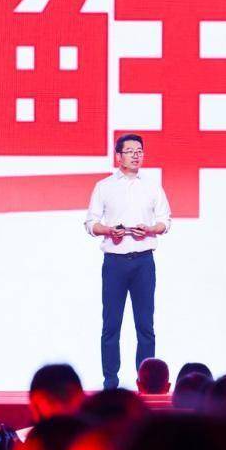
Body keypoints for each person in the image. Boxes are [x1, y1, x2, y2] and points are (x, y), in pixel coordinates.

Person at [84, 134, 172, 390]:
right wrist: (109, 230)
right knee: (111, 325)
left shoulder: (152, 187)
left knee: (145, 326)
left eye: (140, 151)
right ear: (119, 156)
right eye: (130, 151)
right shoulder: (104, 187)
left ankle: (147, 383)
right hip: (115, 263)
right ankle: (110, 383)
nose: (136, 155)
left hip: (143, 262)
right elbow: (91, 223)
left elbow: (165, 221)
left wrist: (150, 229)